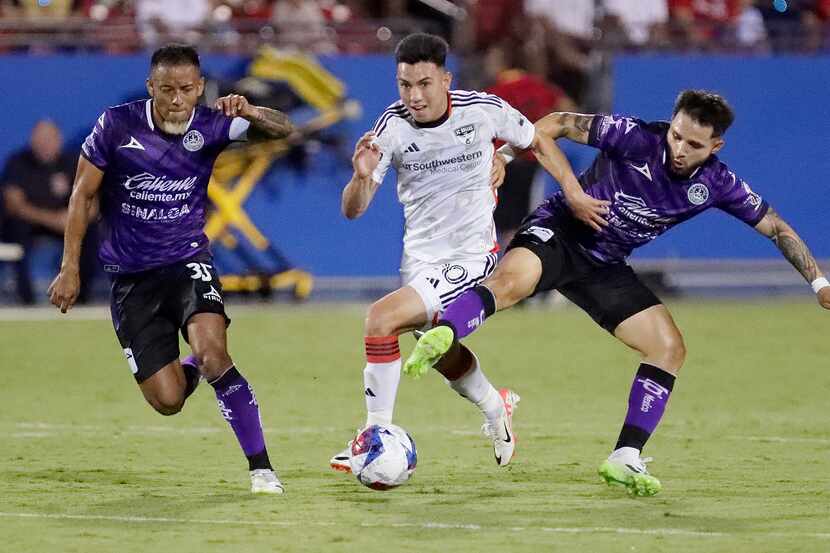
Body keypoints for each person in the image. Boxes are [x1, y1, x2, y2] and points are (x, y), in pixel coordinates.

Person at [405, 90, 830, 496]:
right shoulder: (636, 137)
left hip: (605, 265)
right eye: (677, 135)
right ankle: (445, 332)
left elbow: (775, 226)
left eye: (694, 144)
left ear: (715, 146)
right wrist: (505, 154)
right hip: (562, 230)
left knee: (668, 348)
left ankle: (626, 456)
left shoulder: (718, 184)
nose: (679, 148)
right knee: (512, 284)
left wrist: (819, 282)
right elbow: (555, 124)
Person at [329, 32, 608, 472]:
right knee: (439, 350)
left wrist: (569, 191)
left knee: (380, 321)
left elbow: (534, 139)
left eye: (424, 84)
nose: (414, 96)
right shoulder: (392, 127)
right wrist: (361, 178)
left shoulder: (483, 110)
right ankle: (496, 406)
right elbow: (352, 211)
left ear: (445, 79)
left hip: (472, 255)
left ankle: (374, 437)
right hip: (419, 261)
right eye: (405, 85)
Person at [48, 44, 296, 494]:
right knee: (168, 401)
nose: (177, 99)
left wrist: (254, 111)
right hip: (131, 279)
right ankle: (192, 368)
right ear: (151, 88)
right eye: (166, 90)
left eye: (186, 89)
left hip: (188, 263)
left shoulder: (213, 123)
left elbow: (285, 129)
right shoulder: (115, 125)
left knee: (215, 353)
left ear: (200, 88)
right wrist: (70, 268)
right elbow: (82, 196)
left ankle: (262, 469)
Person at [1, 119, 98, 305]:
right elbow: (14, 204)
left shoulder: (74, 162)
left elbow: (92, 203)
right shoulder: (18, 162)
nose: (45, 143)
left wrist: (72, 220)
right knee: (15, 229)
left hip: (67, 222)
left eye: (49, 138)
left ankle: (80, 299)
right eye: (40, 138)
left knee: (91, 232)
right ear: (32, 140)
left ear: (58, 140)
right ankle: (27, 302)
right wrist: (54, 219)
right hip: (30, 223)